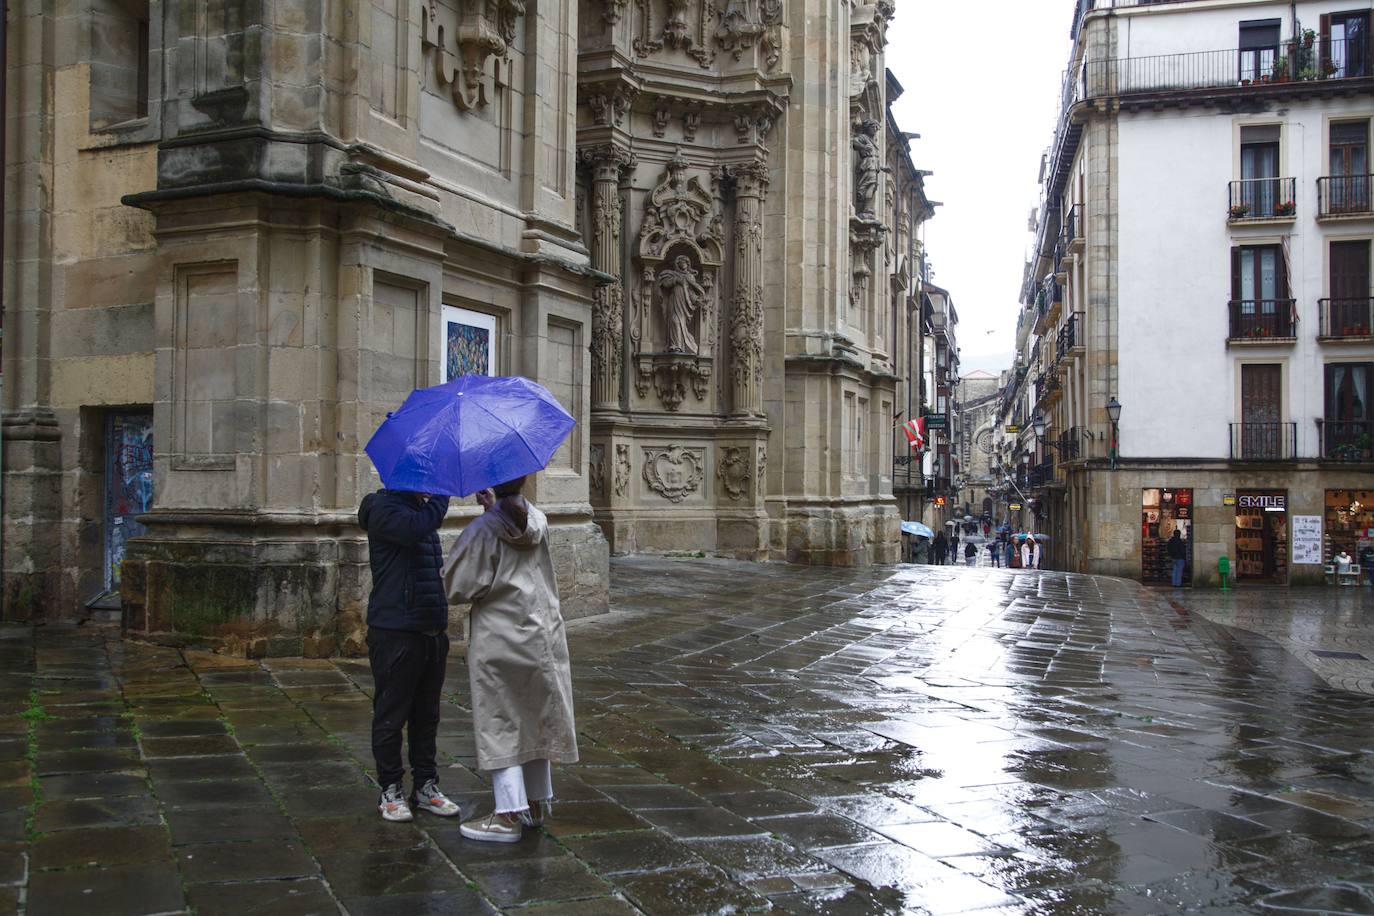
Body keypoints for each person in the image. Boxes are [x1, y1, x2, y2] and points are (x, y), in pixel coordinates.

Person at [443, 476, 579, 843]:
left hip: (502, 636)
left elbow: (457, 586)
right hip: (541, 634)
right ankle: (534, 804)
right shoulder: (538, 519)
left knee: (501, 720)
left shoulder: (483, 530)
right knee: (534, 715)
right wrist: (496, 511)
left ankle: (506, 816)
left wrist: (487, 520)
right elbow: (516, 534)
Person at [358, 488, 463, 823]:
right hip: (396, 630)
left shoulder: (418, 509)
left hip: (430, 628)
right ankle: (390, 788)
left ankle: (426, 785)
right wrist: (444, 495)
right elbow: (415, 529)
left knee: (426, 715)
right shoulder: (384, 509)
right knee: (391, 715)